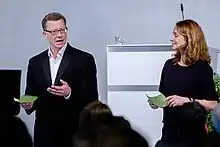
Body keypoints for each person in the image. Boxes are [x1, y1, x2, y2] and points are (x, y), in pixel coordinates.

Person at [22, 12, 98, 147]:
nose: (59, 35)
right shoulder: (35, 62)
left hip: (73, 132)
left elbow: (92, 98)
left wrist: (69, 93)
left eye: (62, 30)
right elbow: (31, 94)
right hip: (44, 134)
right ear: (44, 34)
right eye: (54, 31)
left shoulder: (84, 59)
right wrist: (28, 103)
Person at [153, 19, 218, 147]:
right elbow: (164, 96)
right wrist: (156, 102)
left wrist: (187, 100)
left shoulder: (203, 69)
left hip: (193, 138)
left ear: (189, 38)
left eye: (176, 35)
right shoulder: (169, 66)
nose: (171, 38)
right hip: (168, 135)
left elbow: (213, 104)